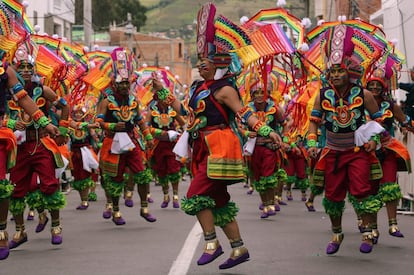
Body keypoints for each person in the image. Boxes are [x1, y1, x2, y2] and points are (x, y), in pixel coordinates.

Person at [151, 3, 281, 269]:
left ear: (220, 63)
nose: (201, 65)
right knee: (219, 200)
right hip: (201, 148)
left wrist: (267, 130)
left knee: (195, 195)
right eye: (199, 61)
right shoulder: (200, 87)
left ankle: (212, 243)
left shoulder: (225, 89)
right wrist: (165, 95)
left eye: (206, 62)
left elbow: (246, 114)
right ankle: (238, 248)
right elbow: (188, 115)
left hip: (219, 147)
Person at [307, 25, 383, 255]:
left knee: (362, 191)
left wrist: (374, 140)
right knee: (333, 195)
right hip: (332, 150)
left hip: (357, 150)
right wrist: (311, 143)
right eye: (332, 72)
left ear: (349, 72)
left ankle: (368, 232)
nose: (336, 75)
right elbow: (313, 122)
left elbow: (379, 121)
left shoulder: (364, 94)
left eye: (340, 71)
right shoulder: (322, 95)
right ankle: (337, 232)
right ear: (327, 74)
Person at [6, 41, 68, 250]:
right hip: (18, 147)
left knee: (50, 185)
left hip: (41, 142)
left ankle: (56, 227)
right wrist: (12, 123)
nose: (24, 71)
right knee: (15, 190)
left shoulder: (42, 89)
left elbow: (64, 105)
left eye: (28, 67)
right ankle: (20, 231)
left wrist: (63, 130)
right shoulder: (6, 90)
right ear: (13, 67)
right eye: (20, 66)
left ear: (34, 69)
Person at [96, 47, 155, 226]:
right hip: (112, 142)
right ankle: (115, 210)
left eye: (126, 84)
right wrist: (112, 125)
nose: (124, 87)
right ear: (114, 83)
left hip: (131, 141)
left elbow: (140, 120)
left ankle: (144, 208)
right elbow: (98, 122)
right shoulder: (106, 101)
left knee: (142, 174)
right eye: (121, 83)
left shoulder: (133, 101)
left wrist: (148, 137)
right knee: (115, 179)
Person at [364, 65, 411, 242]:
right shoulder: (359, 106)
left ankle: (393, 224)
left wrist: (410, 125)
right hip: (367, 152)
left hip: (387, 149)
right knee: (371, 190)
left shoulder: (389, 105)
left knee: (389, 185)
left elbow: (405, 121)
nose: (375, 88)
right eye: (371, 85)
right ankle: (373, 229)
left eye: (378, 85)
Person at [244, 81, 284, 219]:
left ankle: (271, 204)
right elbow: (238, 125)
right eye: (257, 93)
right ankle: (265, 204)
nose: (260, 96)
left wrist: (282, 139)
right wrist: (246, 133)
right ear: (252, 95)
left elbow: (286, 122)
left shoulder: (274, 108)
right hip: (254, 148)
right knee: (258, 177)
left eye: (263, 93)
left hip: (269, 147)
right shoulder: (247, 110)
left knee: (269, 176)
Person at [146, 87, 186, 209]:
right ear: (157, 99)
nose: (165, 100)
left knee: (174, 169)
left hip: (171, 145)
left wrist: (183, 135)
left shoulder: (173, 110)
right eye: (162, 98)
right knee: (161, 171)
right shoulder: (152, 111)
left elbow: (183, 123)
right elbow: (146, 127)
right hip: (158, 145)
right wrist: (159, 133)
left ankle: (175, 196)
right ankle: (165, 195)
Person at [68, 104, 100, 210]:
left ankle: (86, 199)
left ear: (83, 114)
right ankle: (83, 200)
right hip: (74, 153)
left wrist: (97, 136)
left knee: (88, 174)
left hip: (86, 152)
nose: (78, 115)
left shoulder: (88, 126)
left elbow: (95, 137)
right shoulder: (70, 126)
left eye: (80, 113)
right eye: (76, 113)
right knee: (77, 177)